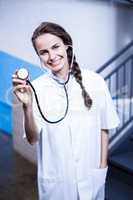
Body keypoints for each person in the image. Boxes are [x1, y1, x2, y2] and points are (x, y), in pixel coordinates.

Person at [12, 22, 120, 200]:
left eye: (55, 47)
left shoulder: (95, 81)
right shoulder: (37, 88)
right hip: (57, 185)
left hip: (92, 178)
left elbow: (104, 127)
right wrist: (27, 106)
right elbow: (32, 139)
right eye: (44, 52)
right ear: (39, 56)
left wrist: (102, 167)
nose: (52, 56)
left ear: (67, 46)